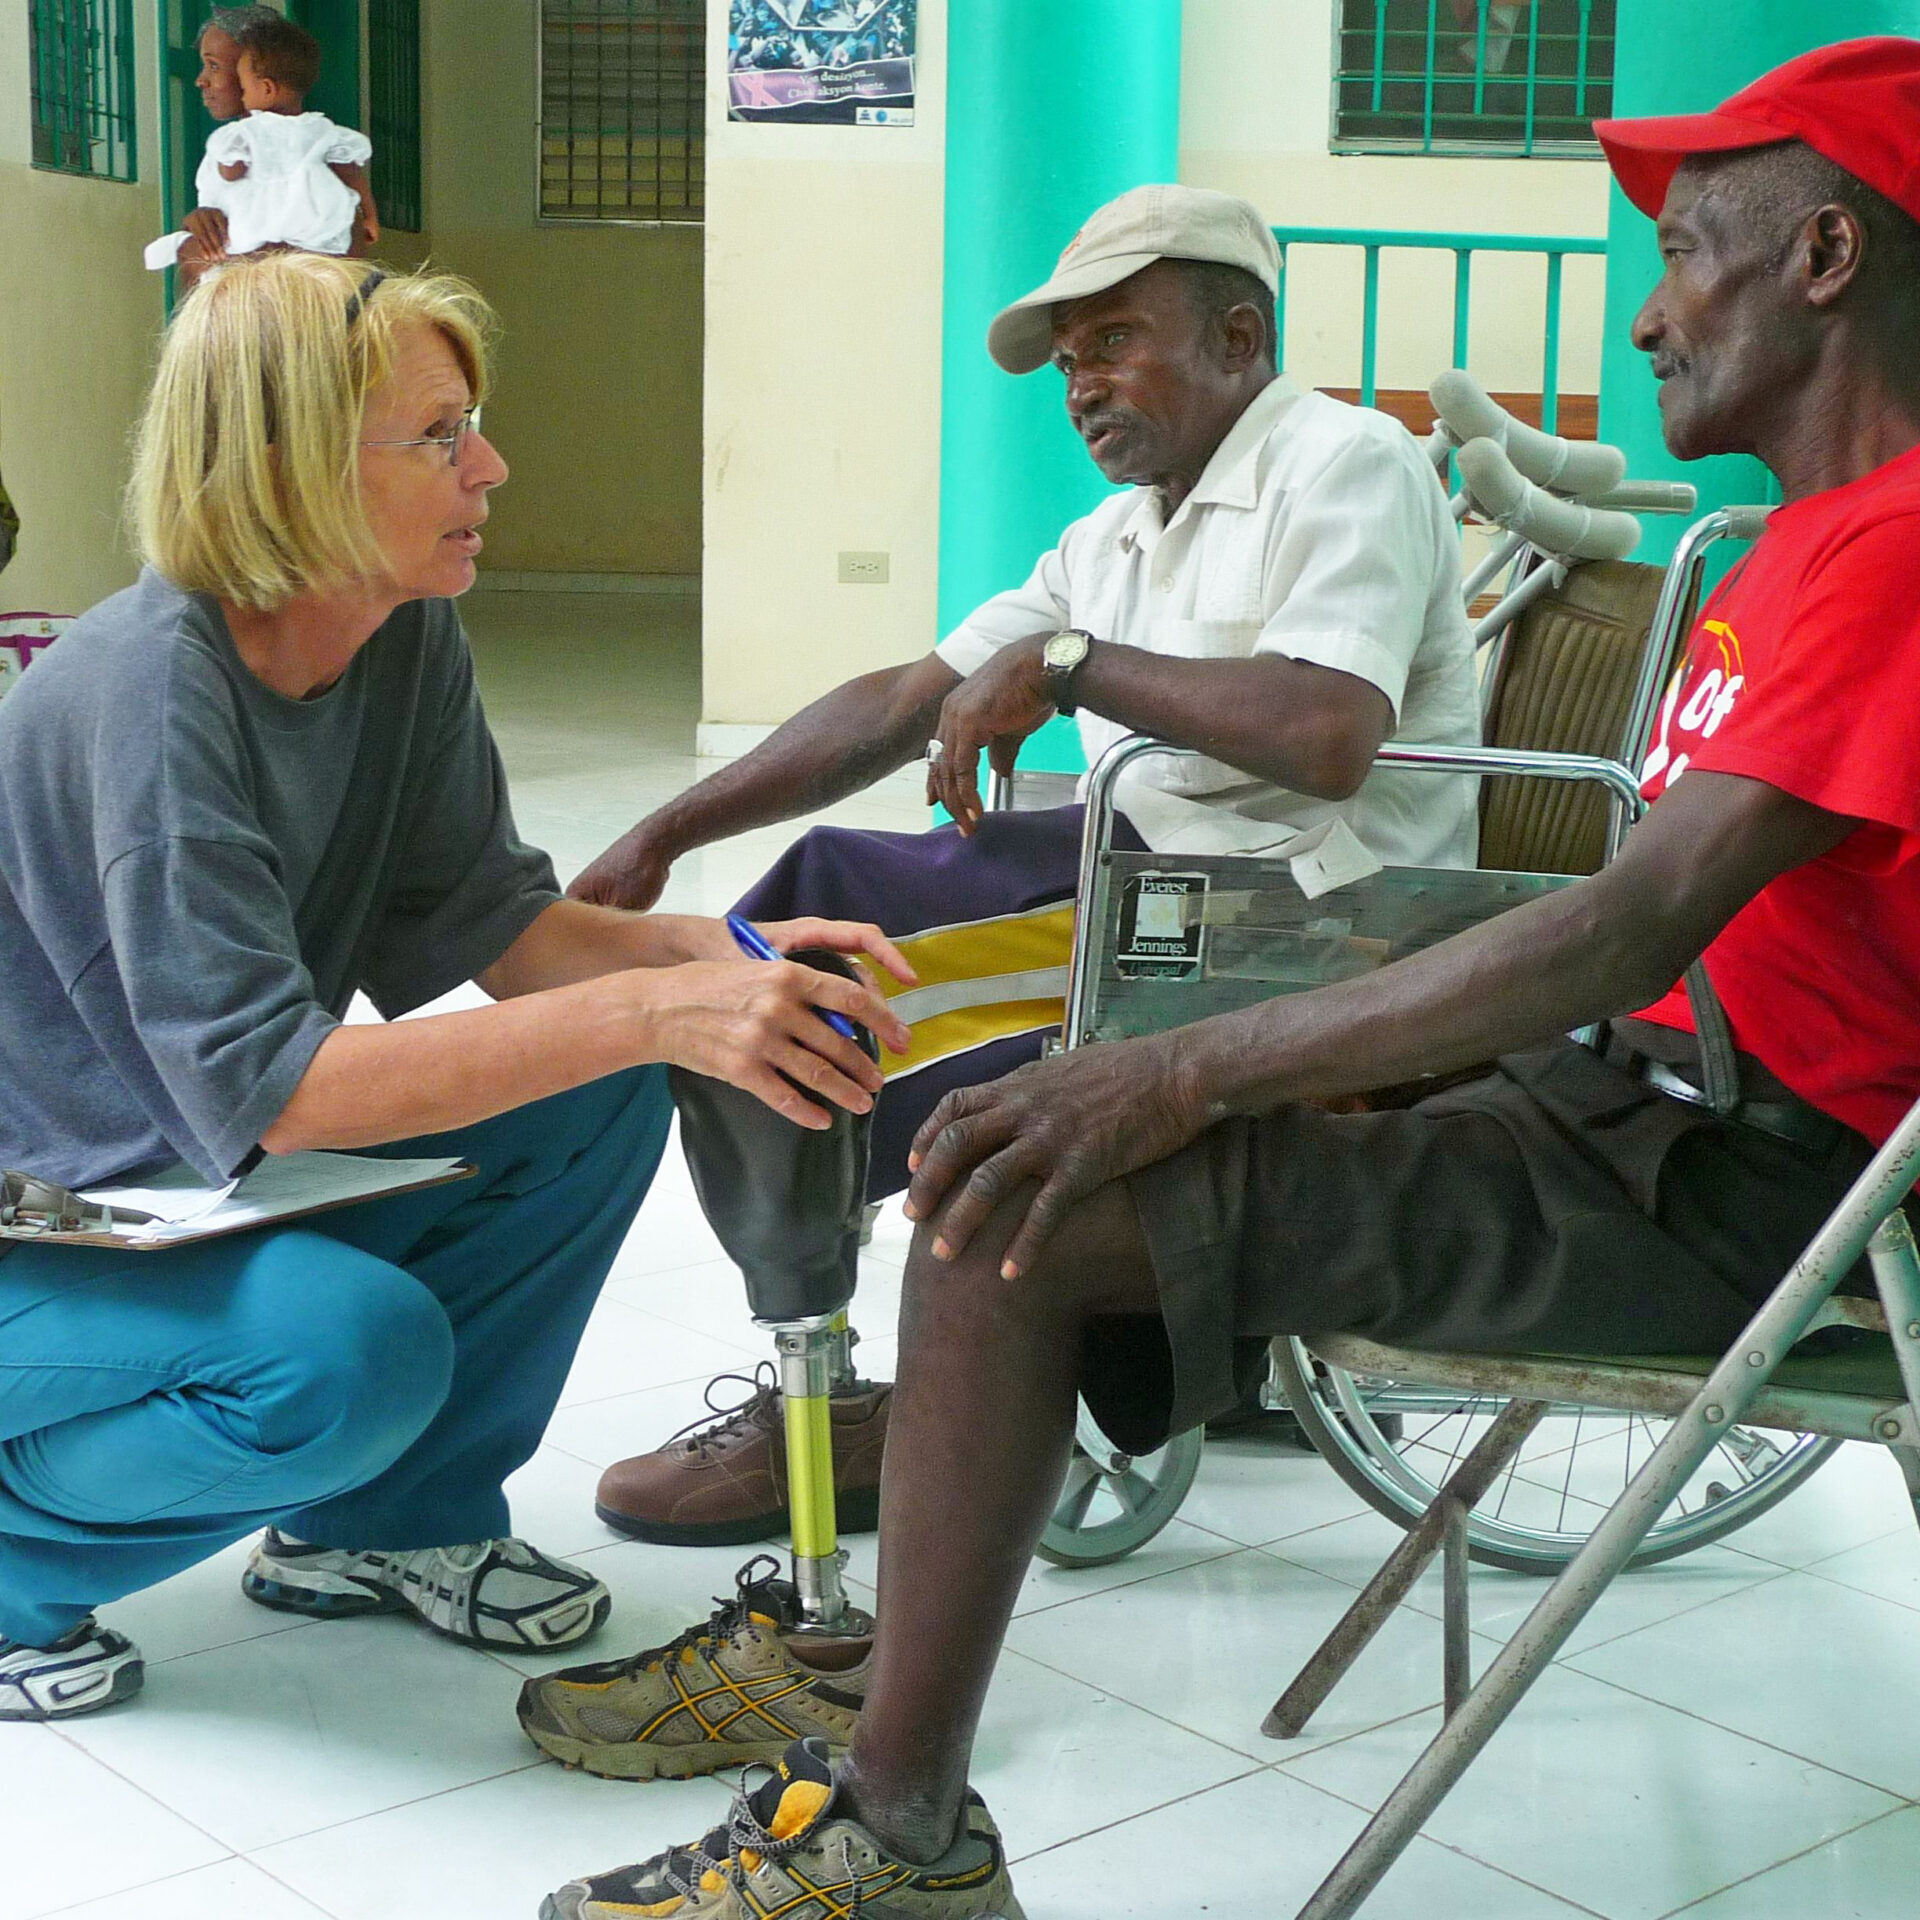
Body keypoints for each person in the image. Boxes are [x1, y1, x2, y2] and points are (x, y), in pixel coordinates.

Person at [539, 36, 1920, 1920]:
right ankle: (861, 1527)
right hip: (1632, 1097)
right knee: (862, 996)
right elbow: (1632, 937)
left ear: (1828, 260)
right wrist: (675, 833)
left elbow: (1612, 916)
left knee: (999, 1189)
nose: (1652, 313)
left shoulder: (1879, 557)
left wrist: (1186, 1075)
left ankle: (897, 1806)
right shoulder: (1803, 550)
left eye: (1687, 253)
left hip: (1746, 1179)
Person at [0, 251, 912, 1724]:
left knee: (600, 1076)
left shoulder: (396, 632)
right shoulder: (148, 695)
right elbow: (281, 1096)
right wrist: (657, 1008)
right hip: (43, 1225)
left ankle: (384, 1526)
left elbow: (506, 932)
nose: (488, 464)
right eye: (437, 436)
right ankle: (9, 1569)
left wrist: (734, 962)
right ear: (286, 463)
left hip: (173, 1181)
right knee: (344, 1349)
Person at [580, 183, 1482, 1558]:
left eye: (1115, 342)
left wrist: (1068, 666)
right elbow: (903, 696)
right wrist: (670, 833)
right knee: (809, 898)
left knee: (809, 991)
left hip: (1301, 915)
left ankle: (827, 1414)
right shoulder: (1122, 531)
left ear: (1240, 337)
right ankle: (872, 1357)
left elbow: (1326, 733)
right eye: (1071, 361)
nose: (1083, 385)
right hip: (1157, 878)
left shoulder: (1346, 464)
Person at [147, 11, 377, 284]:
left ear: (258, 73)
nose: (200, 80)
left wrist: (233, 255)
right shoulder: (232, 143)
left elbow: (327, 278)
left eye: (214, 66)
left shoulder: (325, 191)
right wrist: (204, 223)